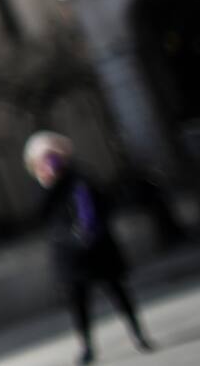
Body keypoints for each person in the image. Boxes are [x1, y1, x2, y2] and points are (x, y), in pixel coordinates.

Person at [24, 131, 154, 364]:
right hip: (68, 255)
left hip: (97, 247)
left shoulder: (80, 178)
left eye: (52, 154)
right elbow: (38, 217)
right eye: (43, 157)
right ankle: (86, 346)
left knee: (118, 292)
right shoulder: (41, 187)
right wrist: (49, 183)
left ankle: (138, 334)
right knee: (78, 303)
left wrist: (92, 230)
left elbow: (103, 203)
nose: (49, 160)